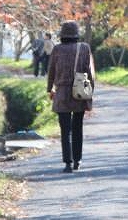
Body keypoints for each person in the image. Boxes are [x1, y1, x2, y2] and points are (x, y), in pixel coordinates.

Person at [47, 21, 95, 173]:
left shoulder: (57, 49)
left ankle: (67, 163)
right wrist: (90, 91)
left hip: (61, 92)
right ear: (76, 34)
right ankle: (77, 160)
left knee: (65, 129)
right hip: (79, 92)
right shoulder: (84, 48)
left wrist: (50, 89)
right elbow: (90, 72)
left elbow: (51, 71)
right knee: (77, 128)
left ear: (62, 35)